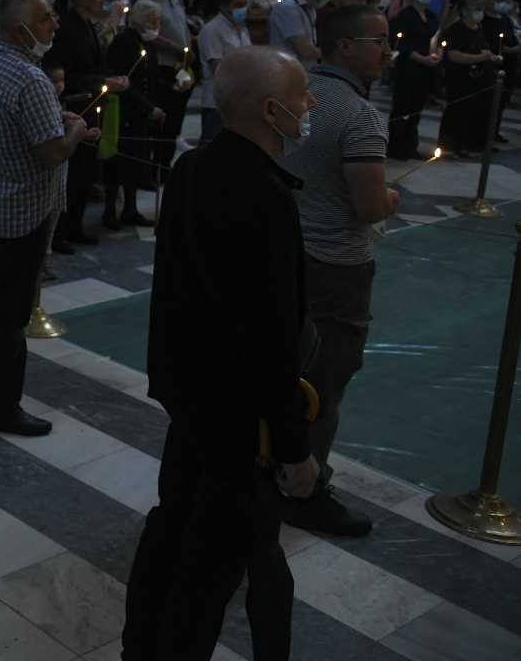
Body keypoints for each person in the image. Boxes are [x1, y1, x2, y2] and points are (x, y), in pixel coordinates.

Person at [123, 46, 321, 661]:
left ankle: (141, 649)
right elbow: (267, 336)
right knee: (211, 561)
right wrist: (292, 446)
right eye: (302, 94)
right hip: (236, 415)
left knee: (171, 526)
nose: (310, 104)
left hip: (189, 394)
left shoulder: (194, 165)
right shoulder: (262, 194)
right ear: (270, 109)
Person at [0, 0, 98, 435]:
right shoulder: (30, 79)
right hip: (25, 209)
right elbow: (53, 152)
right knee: (11, 315)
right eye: (45, 19)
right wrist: (75, 131)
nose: (54, 25)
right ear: (20, 30)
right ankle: (0, 408)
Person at [278, 6, 396, 538]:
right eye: (380, 40)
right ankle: (306, 488)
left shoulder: (294, 99)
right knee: (324, 384)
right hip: (335, 267)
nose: (388, 50)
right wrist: (394, 194)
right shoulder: (358, 116)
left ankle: (273, 467)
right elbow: (369, 207)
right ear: (345, 46)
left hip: (284, 257)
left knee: (283, 371)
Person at [46, 0, 126, 250]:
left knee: (85, 172)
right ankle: (58, 232)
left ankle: (75, 226)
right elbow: (64, 73)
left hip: (92, 106)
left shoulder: (89, 25)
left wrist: (111, 79)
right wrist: (102, 82)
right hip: (74, 107)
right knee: (71, 173)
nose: (104, 0)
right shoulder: (65, 28)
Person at [103, 0, 165, 229]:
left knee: (136, 163)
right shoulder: (123, 43)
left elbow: (151, 78)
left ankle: (131, 208)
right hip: (124, 111)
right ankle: (110, 210)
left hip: (141, 113)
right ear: (138, 22)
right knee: (118, 163)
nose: (156, 25)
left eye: (158, 20)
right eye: (152, 20)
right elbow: (124, 81)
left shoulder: (148, 43)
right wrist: (149, 107)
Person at [138, 0, 193, 174]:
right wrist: (176, 48)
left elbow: (183, 25)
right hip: (160, 65)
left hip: (179, 65)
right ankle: (152, 167)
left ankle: (165, 164)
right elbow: (149, 30)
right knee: (160, 119)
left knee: (175, 119)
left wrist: (187, 49)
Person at [388, 0, 443, 159]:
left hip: (426, 67)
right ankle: (395, 146)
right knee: (402, 106)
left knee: (416, 107)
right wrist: (421, 58)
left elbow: (437, 37)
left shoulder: (431, 15)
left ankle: (411, 146)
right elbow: (400, 43)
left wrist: (438, 53)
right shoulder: (406, 15)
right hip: (409, 66)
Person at [437, 0, 496, 159]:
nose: (480, 12)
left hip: (477, 79)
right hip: (459, 77)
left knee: (469, 113)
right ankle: (447, 146)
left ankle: (460, 144)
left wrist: (489, 56)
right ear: (465, 11)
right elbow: (454, 56)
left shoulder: (477, 29)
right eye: (476, 9)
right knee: (456, 111)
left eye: (481, 9)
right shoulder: (456, 30)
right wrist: (481, 57)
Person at [197, 0, 253, 142]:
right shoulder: (212, 30)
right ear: (223, 7)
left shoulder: (241, 27)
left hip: (241, 99)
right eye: (238, 5)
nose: (243, 8)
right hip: (218, 101)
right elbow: (217, 66)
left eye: (244, 4)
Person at [269, 0, 332, 72]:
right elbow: (304, 49)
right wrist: (331, 54)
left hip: (305, 67)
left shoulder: (309, 8)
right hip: (287, 70)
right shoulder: (287, 7)